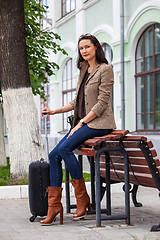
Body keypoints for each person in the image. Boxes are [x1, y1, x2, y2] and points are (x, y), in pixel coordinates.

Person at [41, 34, 116, 225]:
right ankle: (54, 207)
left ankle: (82, 198)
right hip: (83, 122)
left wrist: (81, 123)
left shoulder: (105, 70)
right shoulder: (83, 69)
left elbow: (101, 103)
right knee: (53, 156)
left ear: (96, 47)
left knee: (65, 149)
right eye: (81, 48)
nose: (84, 51)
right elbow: (77, 101)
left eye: (87, 47)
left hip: (99, 123)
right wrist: (54, 111)